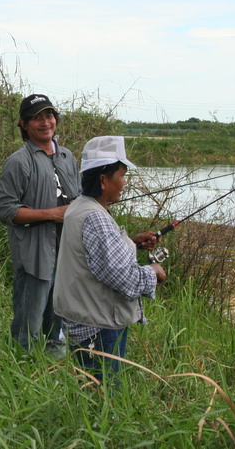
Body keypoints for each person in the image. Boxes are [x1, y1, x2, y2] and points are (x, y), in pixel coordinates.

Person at [54, 136, 166, 380]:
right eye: (122, 176)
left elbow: (94, 257)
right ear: (104, 180)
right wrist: (154, 271)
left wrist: (130, 243)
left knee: (87, 392)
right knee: (103, 396)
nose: (124, 184)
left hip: (84, 320)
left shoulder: (79, 206)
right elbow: (124, 279)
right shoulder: (96, 218)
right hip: (99, 326)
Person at [0, 94, 80, 356]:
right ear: (23, 124)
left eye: (49, 115)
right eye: (37, 118)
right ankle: (22, 371)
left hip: (66, 255)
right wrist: (52, 214)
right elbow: (6, 210)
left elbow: (78, 198)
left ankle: (53, 369)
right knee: (28, 324)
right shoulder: (18, 162)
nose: (45, 122)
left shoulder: (67, 157)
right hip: (34, 256)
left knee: (59, 319)